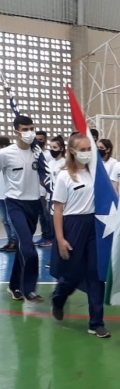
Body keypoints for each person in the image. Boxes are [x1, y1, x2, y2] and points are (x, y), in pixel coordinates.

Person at [50, 134, 110, 338]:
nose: (87, 153)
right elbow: (58, 210)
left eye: (89, 149)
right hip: (73, 225)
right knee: (72, 274)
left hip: (93, 225)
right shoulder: (64, 176)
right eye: (82, 149)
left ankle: (96, 322)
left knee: (96, 273)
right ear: (72, 151)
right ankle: (58, 297)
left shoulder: (96, 174)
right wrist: (60, 238)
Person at [0, 116, 44, 302]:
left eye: (32, 128)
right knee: (28, 247)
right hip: (15, 203)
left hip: (34, 204)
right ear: (16, 132)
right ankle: (29, 289)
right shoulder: (5, 154)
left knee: (21, 247)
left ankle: (13, 285)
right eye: (25, 129)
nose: (30, 132)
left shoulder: (38, 152)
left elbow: (46, 177)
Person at [34, 130, 54, 247]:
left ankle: (50, 237)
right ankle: (44, 236)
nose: (38, 142)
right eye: (36, 139)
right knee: (41, 216)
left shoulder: (49, 155)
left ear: (45, 140)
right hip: (35, 191)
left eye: (40, 140)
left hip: (46, 191)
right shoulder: (33, 153)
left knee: (47, 215)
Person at [0, 137, 17, 252]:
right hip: (0, 194)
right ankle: (10, 240)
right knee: (4, 219)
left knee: (11, 219)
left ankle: (15, 241)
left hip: (9, 193)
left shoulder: (9, 157)